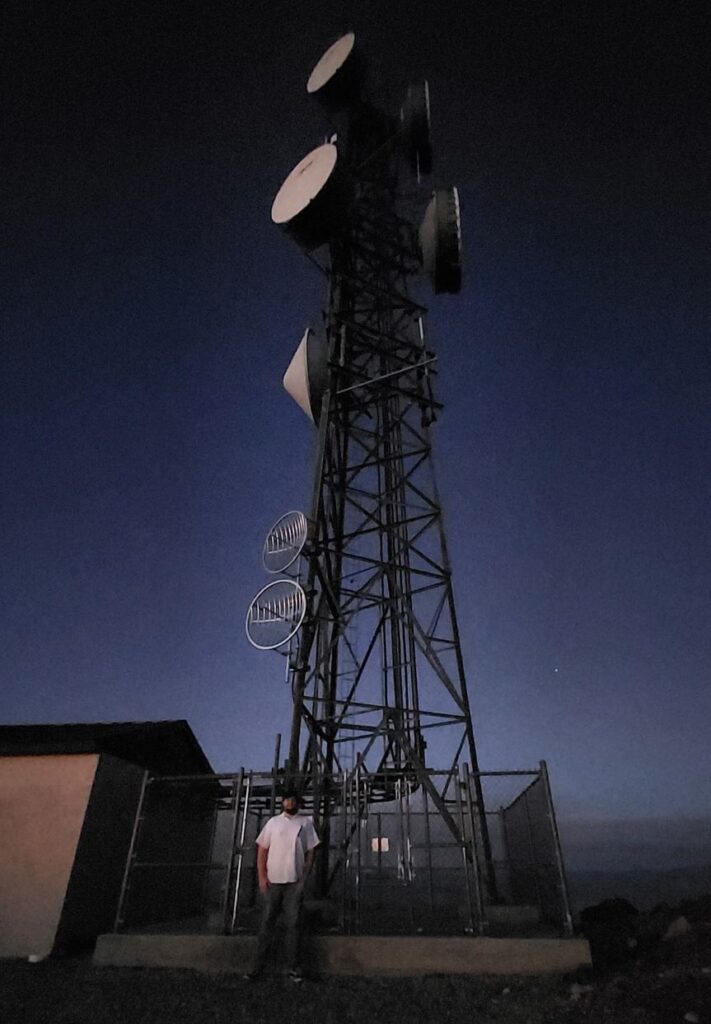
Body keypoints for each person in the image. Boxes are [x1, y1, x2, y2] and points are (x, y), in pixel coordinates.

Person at [244, 790, 320, 983]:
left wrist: (304, 878)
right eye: (287, 799)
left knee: (293, 925)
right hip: (273, 882)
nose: (290, 802)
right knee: (267, 923)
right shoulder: (273, 823)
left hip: (294, 883)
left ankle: (293, 968)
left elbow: (311, 851)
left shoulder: (306, 823)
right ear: (282, 802)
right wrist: (262, 877)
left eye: (293, 799)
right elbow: (262, 849)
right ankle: (257, 966)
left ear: (297, 802)